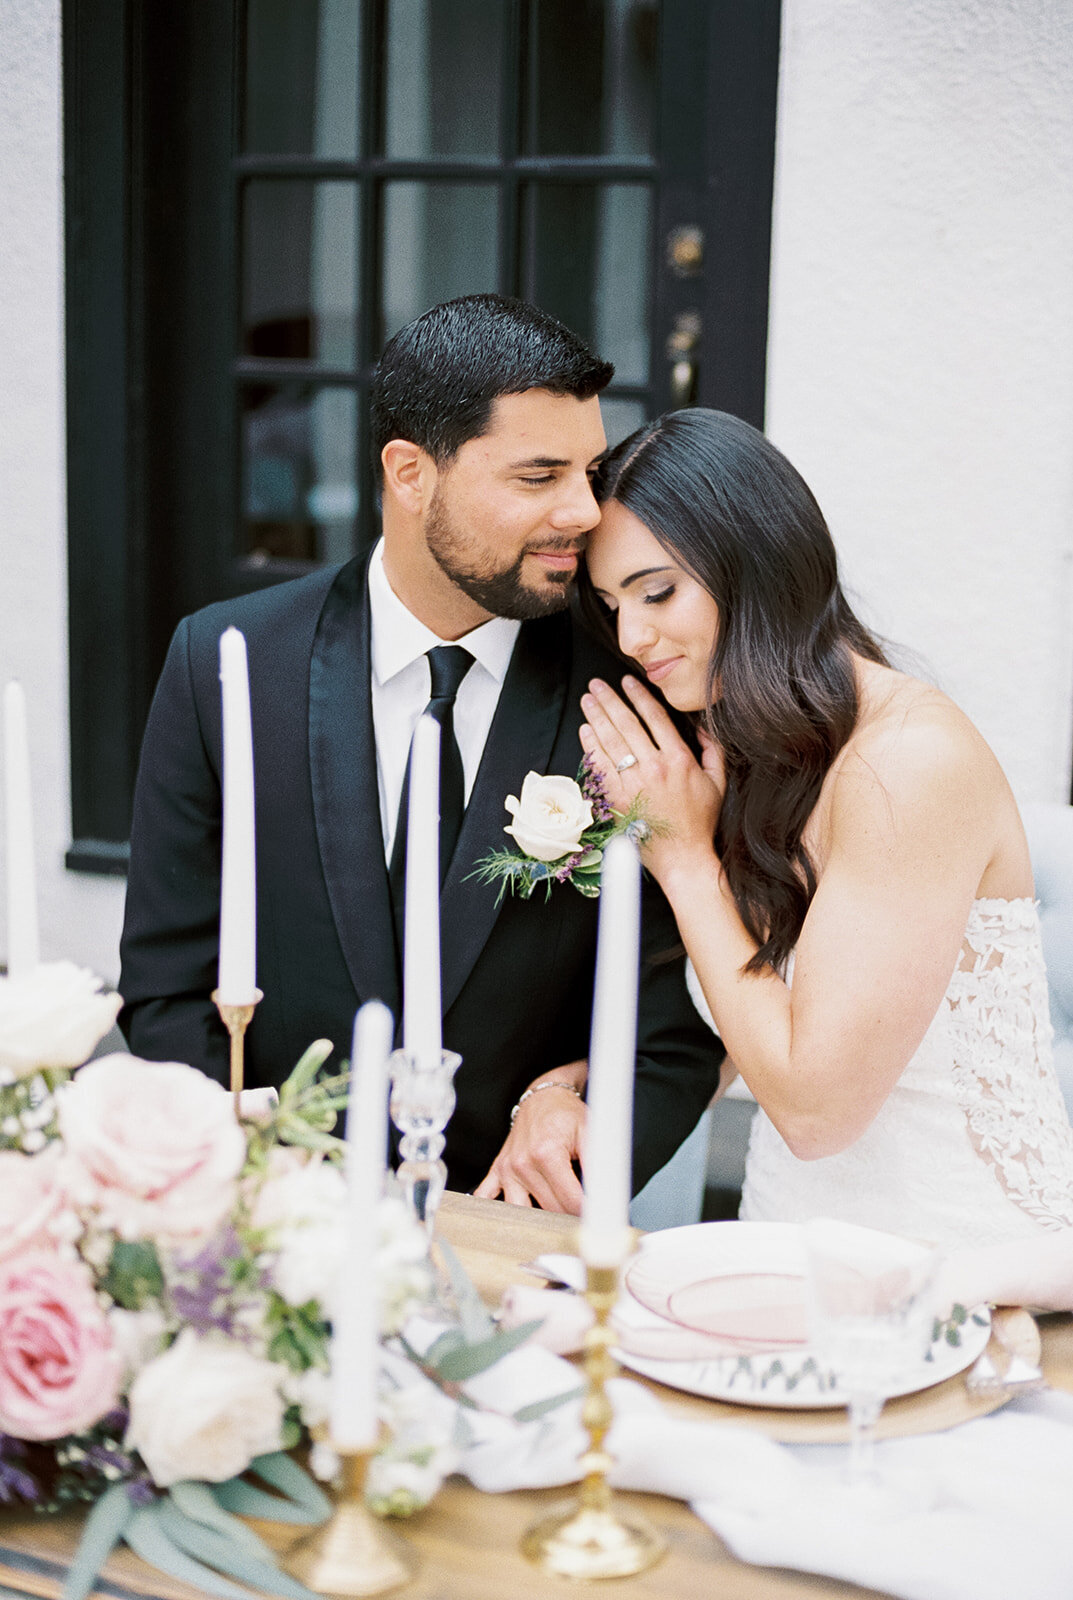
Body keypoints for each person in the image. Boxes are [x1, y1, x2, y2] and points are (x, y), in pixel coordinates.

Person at [118, 296, 723, 1208]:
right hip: (280, 1228)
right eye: (538, 476)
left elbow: (681, 1016)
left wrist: (569, 1145)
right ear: (410, 473)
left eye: (591, 470)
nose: (583, 510)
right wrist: (265, 1193)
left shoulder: (637, 686)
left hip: (521, 1244)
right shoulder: (227, 664)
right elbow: (166, 987)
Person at [578, 406, 1073, 1247]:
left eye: (656, 591)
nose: (631, 637)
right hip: (787, 1249)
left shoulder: (909, 762)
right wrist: (571, 1093)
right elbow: (754, 1022)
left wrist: (685, 860)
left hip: (958, 1272)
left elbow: (816, 1109)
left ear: (758, 562)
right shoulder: (760, 756)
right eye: (610, 605)